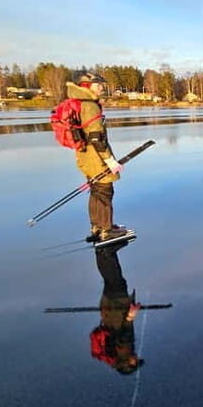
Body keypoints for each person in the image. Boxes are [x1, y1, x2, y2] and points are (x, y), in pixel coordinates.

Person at [67, 72, 127, 242]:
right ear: (86, 86)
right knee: (104, 191)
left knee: (95, 191)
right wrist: (109, 160)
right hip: (96, 157)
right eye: (98, 84)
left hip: (84, 154)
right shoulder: (90, 106)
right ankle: (107, 230)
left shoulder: (77, 103)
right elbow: (96, 137)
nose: (102, 87)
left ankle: (97, 226)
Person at [89, 243, 144, 375]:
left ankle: (105, 252)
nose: (136, 359)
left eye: (134, 363)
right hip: (108, 311)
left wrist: (130, 316)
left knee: (117, 281)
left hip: (117, 308)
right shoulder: (113, 354)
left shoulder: (124, 352)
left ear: (127, 363)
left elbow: (123, 337)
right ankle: (105, 253)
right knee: (110, 280)